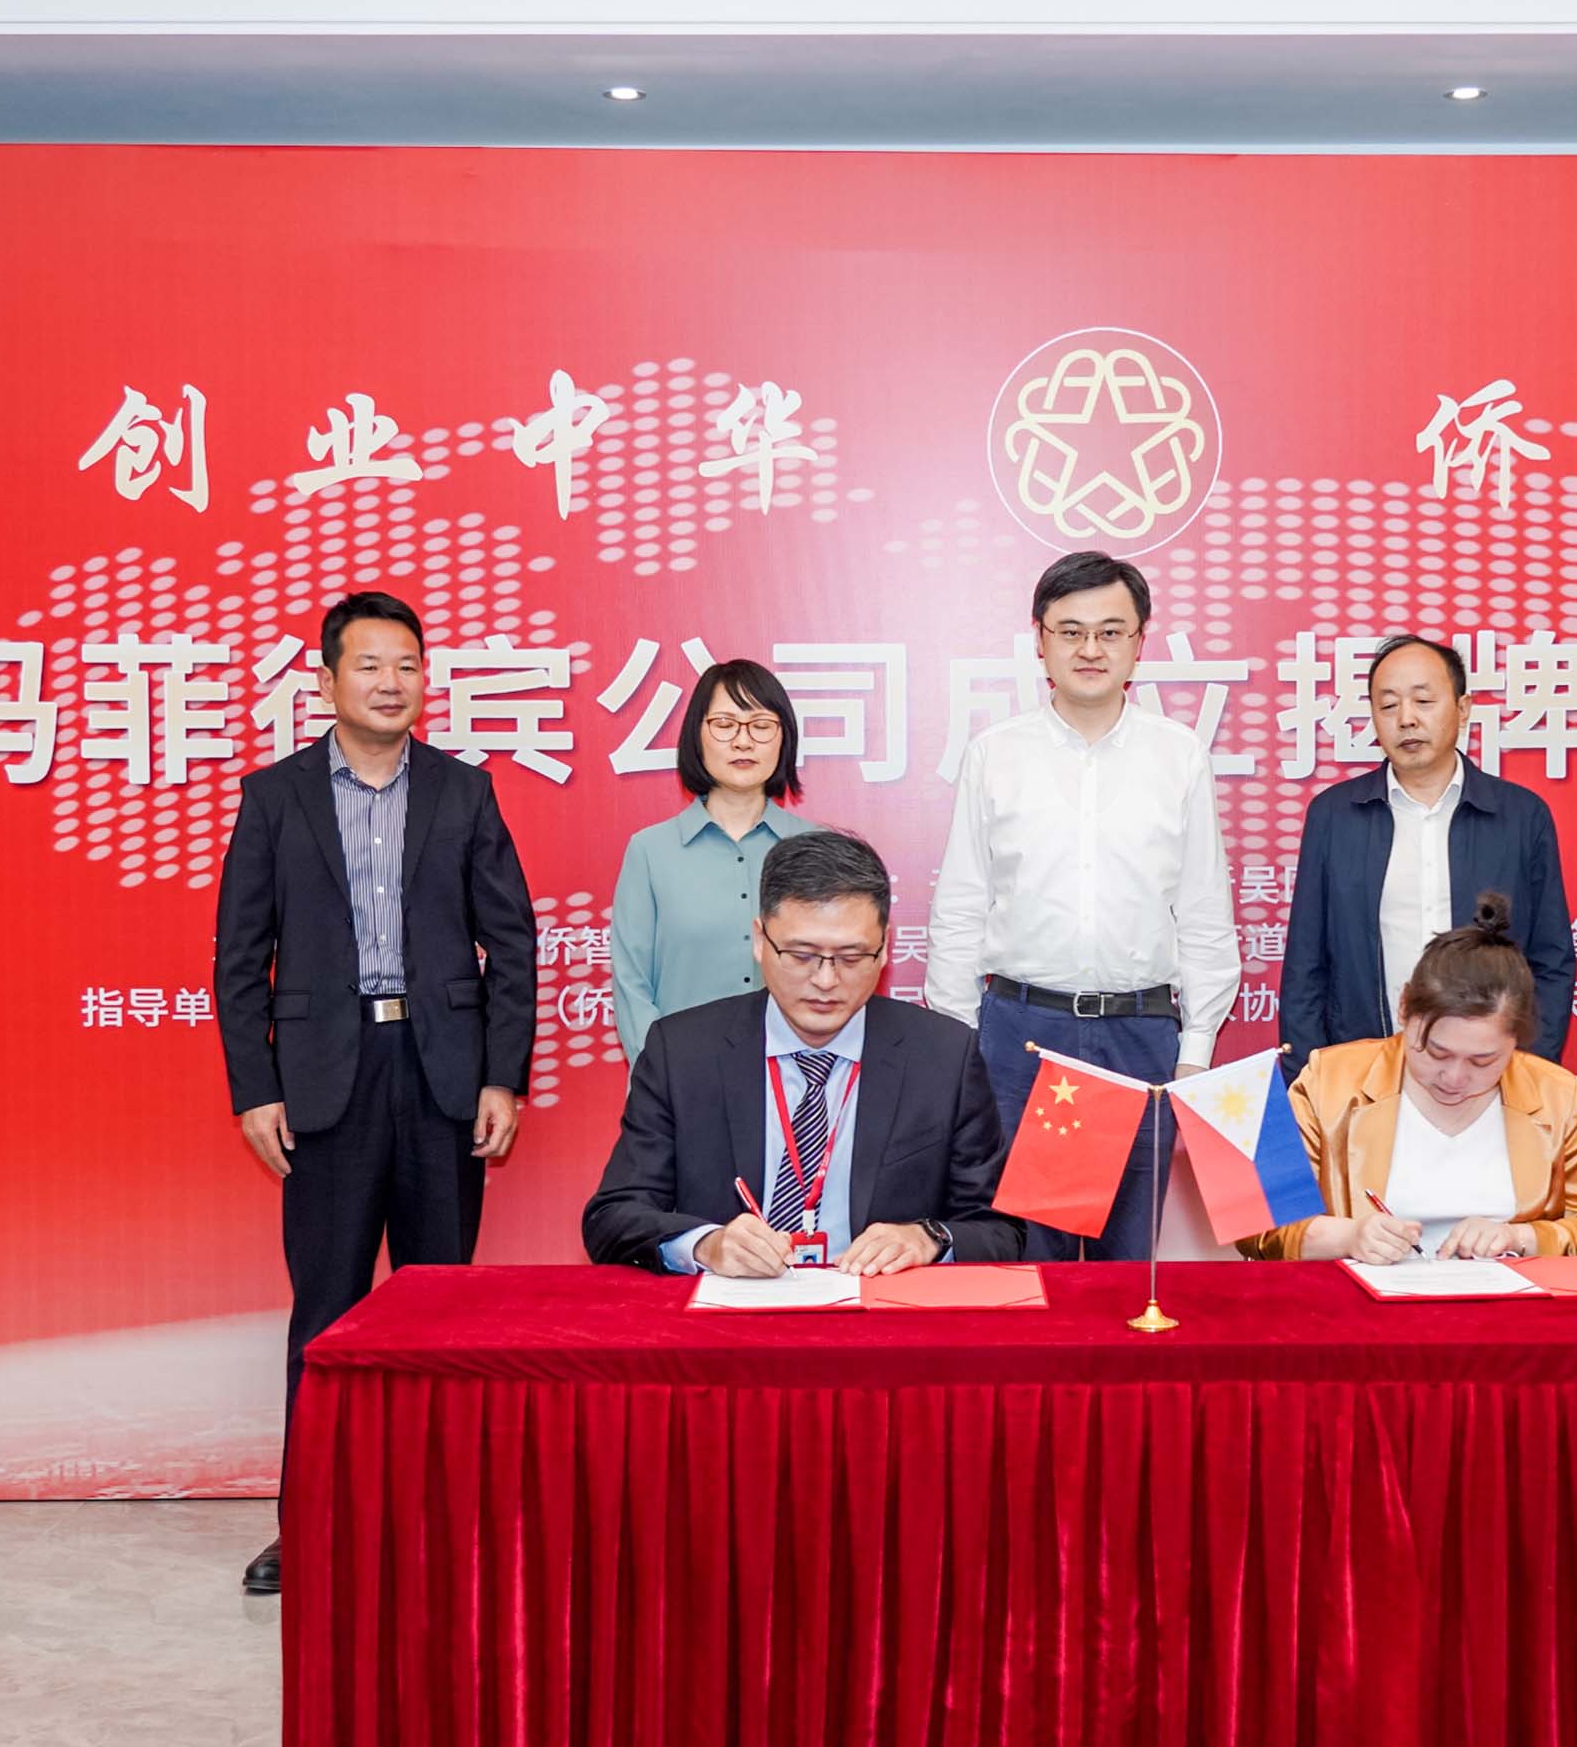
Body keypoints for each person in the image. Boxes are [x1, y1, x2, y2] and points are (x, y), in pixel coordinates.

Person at [213, 590, 538, 1594]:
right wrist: (255, 1088)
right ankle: (309, 1525)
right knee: (326, 1312)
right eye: (369, 664)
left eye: (407, 665)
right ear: (327, 681)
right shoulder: (276, 798)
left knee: (439, 1312)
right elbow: (238, 959)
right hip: (324, 1081)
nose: (391, 683)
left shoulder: (464, 792)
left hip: (442, 1078)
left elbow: (512, 944)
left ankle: (442, 1524)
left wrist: (502, 1075)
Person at [926, 550, 1240, 1259]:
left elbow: (1202, 913)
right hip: (1021, 1034)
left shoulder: (1178, 755)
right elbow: (962, 907)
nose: (1090, 649)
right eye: (1070, 631)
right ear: (1039, 640)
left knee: (1128, 1262)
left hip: (1140, 1034)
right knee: (1027, 1252)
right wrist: (961, 1045)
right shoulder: (996, 754)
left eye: (1110, 631)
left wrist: (1195, 1051)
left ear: (1139, 642)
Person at [583, 828, 1022, 1274]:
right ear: (760, 940)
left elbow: (1001, 1230)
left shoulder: (944, 1056)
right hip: (734, 1307)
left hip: (876, 1306)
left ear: (885, 947)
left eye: (852, 957)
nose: (826, 981)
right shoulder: (682, 1052)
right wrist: (705, 1245)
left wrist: (929, 1237)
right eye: (801, 955)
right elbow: (613, 1217)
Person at [1242, 894, 1577, 1262]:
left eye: (1483, 1061)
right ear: (1404, 1008)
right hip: (1366, 1306)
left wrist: (1521, 1237)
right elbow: (1256, 1227)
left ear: (1516, 1042)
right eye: (1436, 1052)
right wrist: (1349, 1237)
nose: (1454, 1077)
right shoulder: (1330, 1081)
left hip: (1509, 1307)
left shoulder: (1555, 1094)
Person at [1281, 631, 1574, 1068]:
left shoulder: (1520, 816)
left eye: (1423, 700)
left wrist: (1525, 1068)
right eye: (1388, 705)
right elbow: (1306, 966)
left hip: (1487, 1072)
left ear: (1463, 708)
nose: (1406, 719)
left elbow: (1551, 961)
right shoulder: (1335, 816)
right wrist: (1312, 1077)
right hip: (1365, 1069)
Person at [607, 658, 816, 1059]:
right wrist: (661, 1073)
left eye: (761, 725)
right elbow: (631, 984)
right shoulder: (651, 850)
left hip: (793, 1076)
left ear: (784, 737)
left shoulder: (816, 848)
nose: (743, 741)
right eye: (724, 724)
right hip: (679, 1074)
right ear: (697, 736)